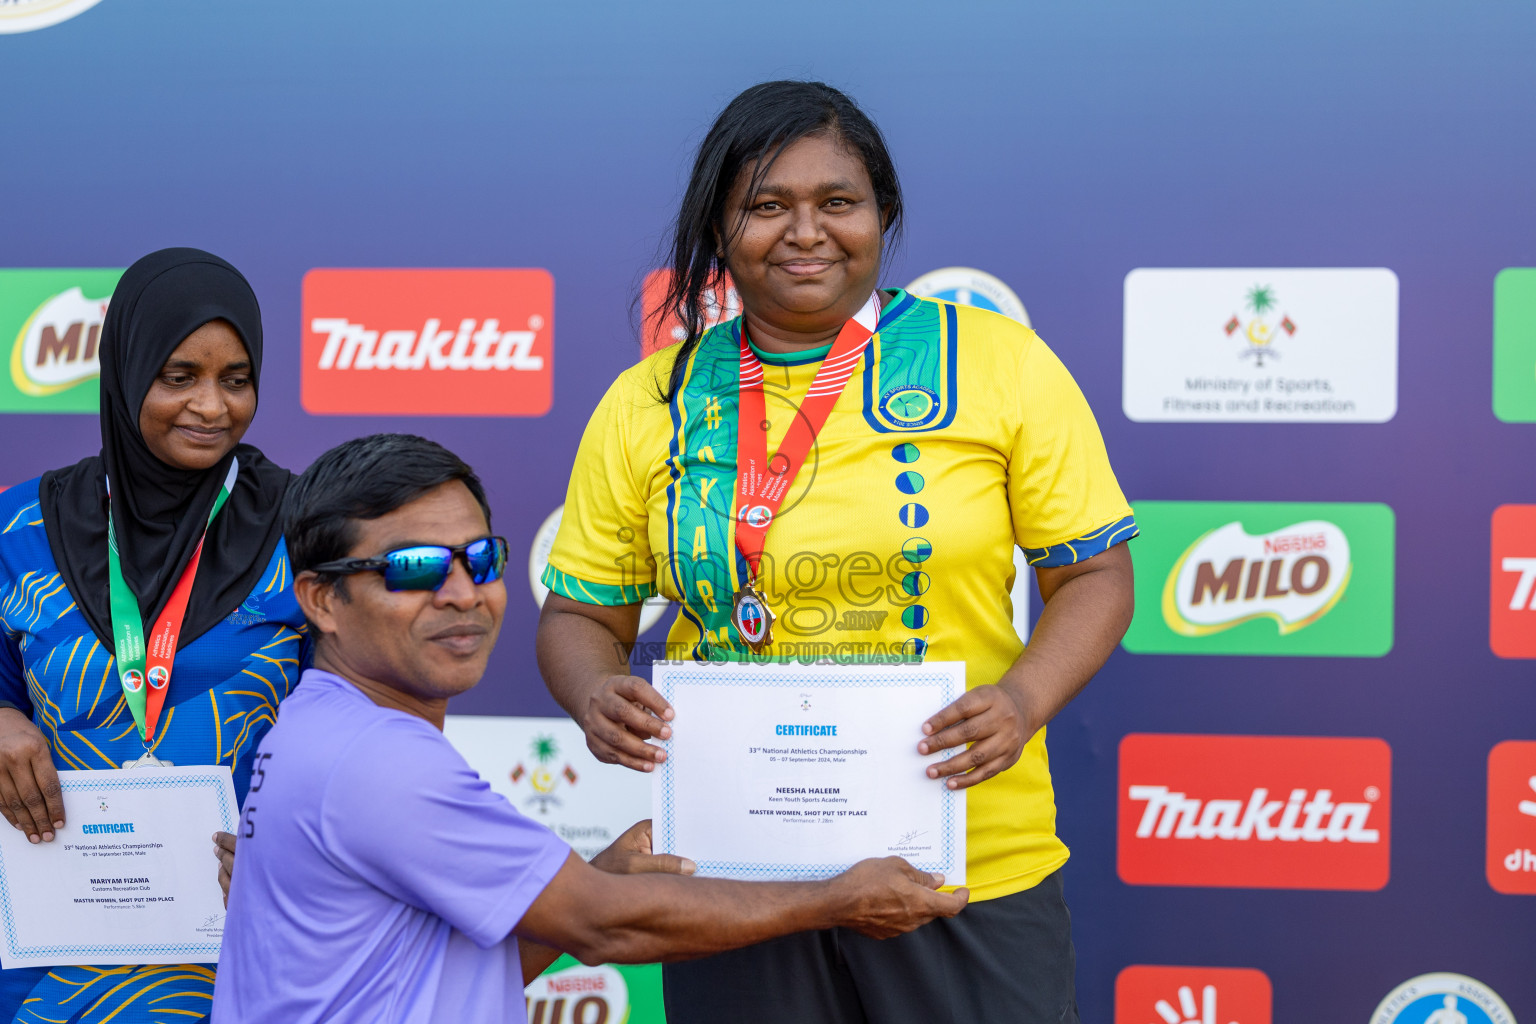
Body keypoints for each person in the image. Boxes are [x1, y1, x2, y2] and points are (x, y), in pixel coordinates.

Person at [536, 80, 1136, 1023]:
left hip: (964, 859)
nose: (805, 231)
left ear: (883, 217)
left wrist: (1023, 700)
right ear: (720, 229)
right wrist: (592, 691)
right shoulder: (650, 401)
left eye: (837, 202)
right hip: (731, 870)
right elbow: (579, 614)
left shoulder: (999, 363)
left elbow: (1093, 574)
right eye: (766, 205)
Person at [211, 432, 965, 1024]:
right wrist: (834, 899)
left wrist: (589, 883)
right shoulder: (377, 757)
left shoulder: (322, 722)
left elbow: (449, 969)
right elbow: (606, 931)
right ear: (321, 600)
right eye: (413, 569)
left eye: (481, 559)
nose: (462, 594)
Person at [0, 248, 301, 1022]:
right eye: (179, 377)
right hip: (52, 956)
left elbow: (371, 709)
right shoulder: (21, 528)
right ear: (127, 370)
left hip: (249, 939)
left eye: (236, 379)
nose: (212, 406)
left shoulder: (304, 526)